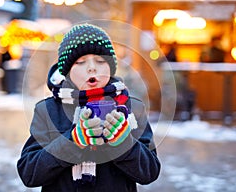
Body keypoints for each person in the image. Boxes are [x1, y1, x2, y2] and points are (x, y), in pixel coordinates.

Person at [17, 24, 160, 191]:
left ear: (111, 67)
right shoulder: (48, 110)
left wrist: (123, 143)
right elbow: (29, 173)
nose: (92, 67)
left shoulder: (132, 108)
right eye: (80, 62)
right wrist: (72, 142)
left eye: (100, 61)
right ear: (68, 71)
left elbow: (150, 172)